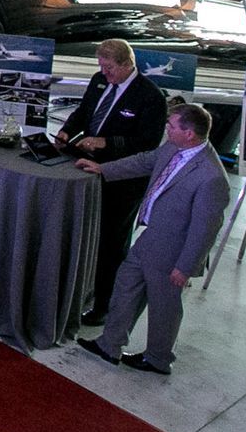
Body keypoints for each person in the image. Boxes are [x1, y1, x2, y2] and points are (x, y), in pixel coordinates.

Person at [73, 103, 231, 375]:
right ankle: (110, 344)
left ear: (189, 134)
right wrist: (103, 169)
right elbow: (144, 161)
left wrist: (185, 267)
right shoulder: (172, 148)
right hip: (150, 238)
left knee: (163, 305)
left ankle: (158, 359)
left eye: (171, 125)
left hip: (173, 251)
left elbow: (205, 229)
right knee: (126, 283)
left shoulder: (211, 177)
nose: (166, 128)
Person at [54, 38, 167, 323]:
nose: (104, 73)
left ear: (128, 65)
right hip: (85, 165)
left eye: (110, 68)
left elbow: (147, 142)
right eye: (101, 67)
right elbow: (84, 112)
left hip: (122, 179)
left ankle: (104, 306)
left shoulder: (151, 97)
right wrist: (68, 130)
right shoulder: (99, 81)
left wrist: (105, 143)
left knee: (111, 242)